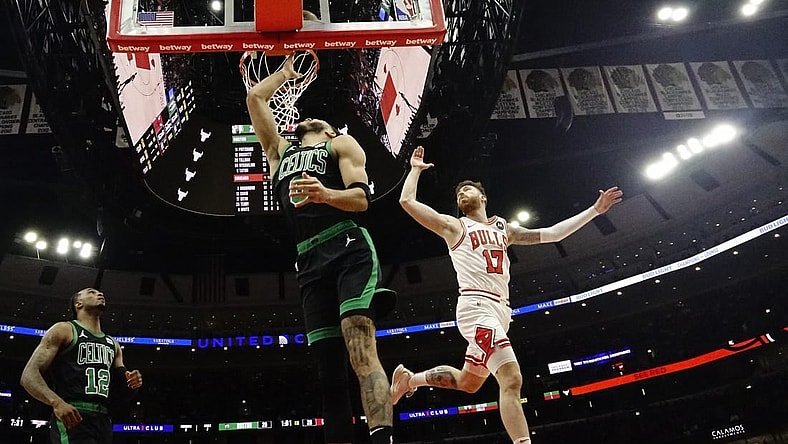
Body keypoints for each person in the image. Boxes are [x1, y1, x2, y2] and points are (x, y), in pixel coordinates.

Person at [394, 146, 623, 444]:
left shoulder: (504, 229)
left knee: (469, 383)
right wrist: (414, 170)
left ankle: (410, 379)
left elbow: (554, 233)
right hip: (476, 307)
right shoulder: (454, 227)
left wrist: (595, 210)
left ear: (483, 198)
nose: (461, 194)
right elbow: (407, 200)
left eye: (467, 190)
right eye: (458, 194)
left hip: (501, 311)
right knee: (511, 379)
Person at [246, 54, 396, 444]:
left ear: (330, 131)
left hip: (347, 245)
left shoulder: (341, 144)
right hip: (308, 259)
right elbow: (255, 101)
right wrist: (284, 73)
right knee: (328, 368)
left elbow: (362, 201)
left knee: (358, 344)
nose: (310, 120)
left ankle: (382, 439)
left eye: (320, 122)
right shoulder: (279, 153)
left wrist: (326, 194)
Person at [20, 287, 143, 443]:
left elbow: (123, 388)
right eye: (91, 292)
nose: (100, 294)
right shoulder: (65, 329)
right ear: (78, 304)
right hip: (73, 414)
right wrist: (56, 402)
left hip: (103, 419)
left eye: (100, 292)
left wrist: (134, 383)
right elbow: (28, 375)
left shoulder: (113, 344)